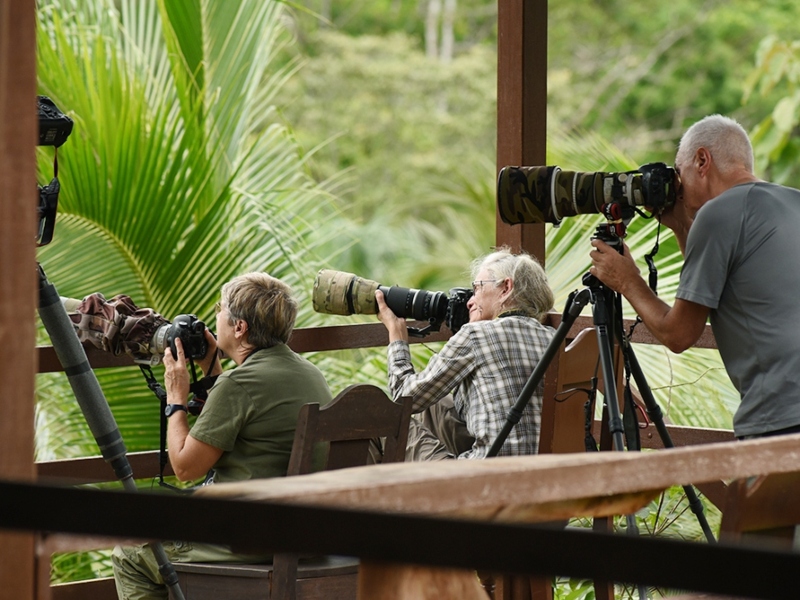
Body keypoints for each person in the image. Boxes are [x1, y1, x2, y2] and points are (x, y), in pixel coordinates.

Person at [112, 272, 332, 600]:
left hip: (249, 540)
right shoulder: (309, 374)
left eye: (220, 309)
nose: (215, 318)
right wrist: (212, 370)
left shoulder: (238, 384)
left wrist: (176, 396)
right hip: (309, 534)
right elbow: (249, 414)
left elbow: (186, 468)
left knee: (130, 552)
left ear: (239, 327)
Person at [589, 114, 800, 439]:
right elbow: (717, 284)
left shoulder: (718, 215)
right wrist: (679, 224)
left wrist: (626, 280)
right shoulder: (791, 200)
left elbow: (679, 334)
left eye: (678, 170)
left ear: (702, 160)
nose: (677, 184)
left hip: (781, 419)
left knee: (769, 493)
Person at [376, 247, 556, 460]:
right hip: (547, 471)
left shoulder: (476, 335)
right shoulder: (553, 338)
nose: (470, 301)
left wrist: (397, 336)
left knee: (382, 417)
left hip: (487, 478)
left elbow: (403, 399)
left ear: (506, 287)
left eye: (477, 289)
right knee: (435, 406)